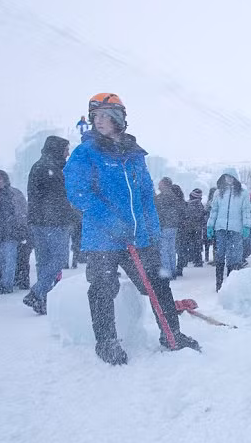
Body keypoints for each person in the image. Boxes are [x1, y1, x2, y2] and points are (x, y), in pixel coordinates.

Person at [65, 93, 199, 365]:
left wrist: (152, 231)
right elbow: (79, 193)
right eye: (95, 116)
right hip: (102, 239)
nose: (99, 121)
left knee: (158, 283)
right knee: (103, 287)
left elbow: (146, 196)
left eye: (105, 116)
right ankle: (106, 342)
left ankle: (171, 335)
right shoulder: (85, 153)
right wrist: (113, 224)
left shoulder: (134, 155)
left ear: (118, 119)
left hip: (138, 238)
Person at [22, 136, 73, 315]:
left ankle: (43, 298)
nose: (68, 153)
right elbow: (61, 196)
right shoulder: (52, 168)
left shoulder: (39, 165)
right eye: (66, 149)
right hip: (54, 221)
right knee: (59, 258)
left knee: (44, 261)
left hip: (38, 221)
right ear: (57, 149)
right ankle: (37, 292)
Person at [206, 168, 250, 292]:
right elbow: (214, 211)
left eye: (231, 177)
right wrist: (210, 225)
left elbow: (246, 211)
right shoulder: (218, 193)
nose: (228, 179)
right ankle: (219, 284)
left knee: (234, 257)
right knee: (220, 256)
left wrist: (246, 226)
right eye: (226, 177)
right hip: (221, 229)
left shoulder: (243, 193)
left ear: (235, 178)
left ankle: (230, 285)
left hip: (236, 230)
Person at [153, 177, 182, 278]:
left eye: (160, 183)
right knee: (171, 250)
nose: (158, 185)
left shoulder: (160, 198)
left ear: (164, 184)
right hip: (173, 226)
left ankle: (167, 272)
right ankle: (173, 270)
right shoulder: (174, 196)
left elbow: (158, 211)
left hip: (164, 226)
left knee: (164, 251)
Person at [183, 188, 207, 267]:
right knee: (197, 244)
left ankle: (187, 259)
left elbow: (185, 215)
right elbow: (203, 215)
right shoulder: (200, 205)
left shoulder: (187, 204)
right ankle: (198, 260)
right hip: (197, 227)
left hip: (188, 227)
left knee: (187, 243)